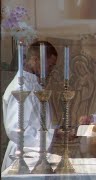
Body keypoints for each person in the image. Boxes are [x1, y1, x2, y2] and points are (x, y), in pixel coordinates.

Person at [1, 41, 58, 172]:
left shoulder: (35, 85)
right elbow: (15, 129)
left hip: (34, 156)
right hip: (23, 157)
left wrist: (54, 132)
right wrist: (48, 137)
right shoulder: (20, 87)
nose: (51, 70)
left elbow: (38, 121)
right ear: (35, 59)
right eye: (50, 65)